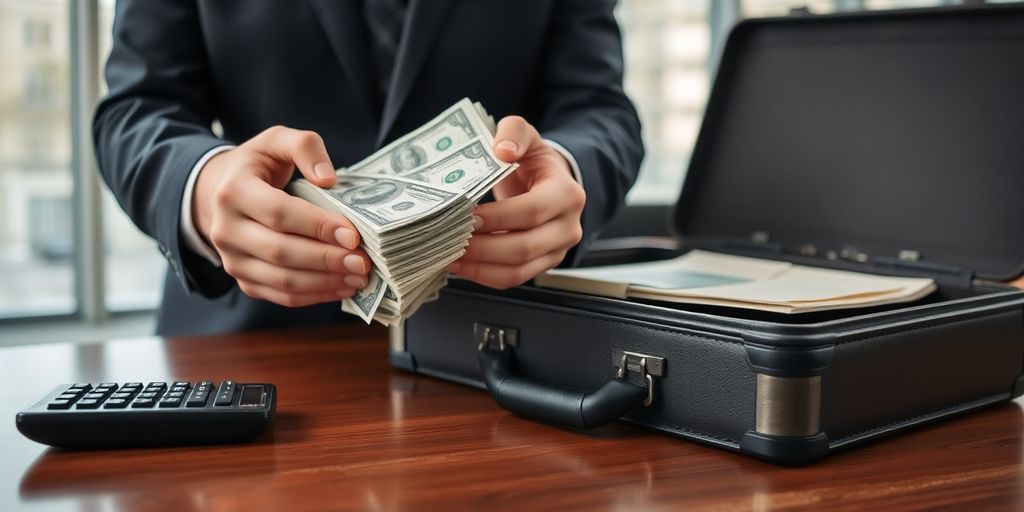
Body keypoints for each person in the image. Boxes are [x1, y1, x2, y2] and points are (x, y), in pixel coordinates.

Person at [94, 0, 643, 336]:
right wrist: (207, 187)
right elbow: (136, 110)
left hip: (494, 354)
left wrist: (566, 172)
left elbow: (599, 109)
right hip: (249, 353)